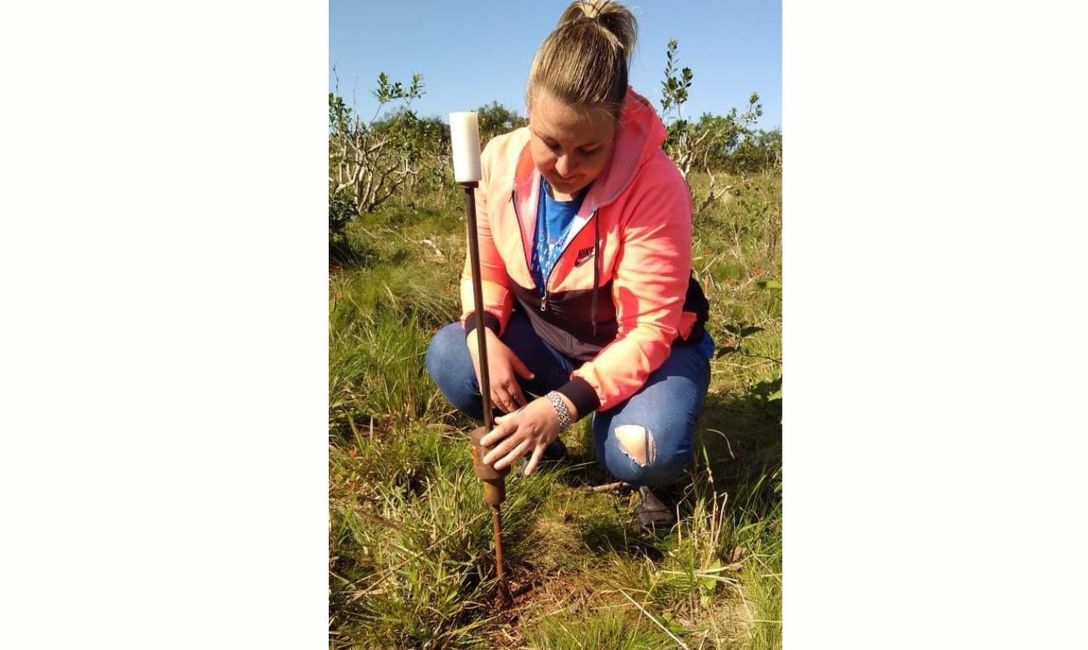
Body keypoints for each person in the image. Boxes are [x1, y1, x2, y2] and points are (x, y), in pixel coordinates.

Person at [426, 0, 712, 530]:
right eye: (549, 142)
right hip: (552, 338)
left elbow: (651, 329)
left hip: (646, 352)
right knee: (453, 356)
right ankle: (537, 441)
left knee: (644, 447)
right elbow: (486, 270)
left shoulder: (657, 185)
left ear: (619, 124)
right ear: (528, 114)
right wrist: (483, 336)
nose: (564, 167)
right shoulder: (496, 162)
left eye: (588, 150)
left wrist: (560, 407)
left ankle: (657, 479)